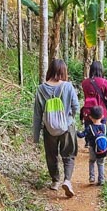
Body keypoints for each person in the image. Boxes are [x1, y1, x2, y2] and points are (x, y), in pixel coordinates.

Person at [32, 59, 79, 198]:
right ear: (63, 71)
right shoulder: (68, 87)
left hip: (49, 128)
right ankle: (67, 180)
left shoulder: (41, 89)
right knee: (69, 154)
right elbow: (76, 106)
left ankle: (55, 181)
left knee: (51, 155)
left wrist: (35, 136)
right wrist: (69, 119)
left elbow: (37, 114)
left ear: (50, 70)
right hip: (67, 127)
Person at [77, 106, 107, 185]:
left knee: (92, 161)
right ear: (102, 116)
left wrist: (75, 131)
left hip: (92, 148)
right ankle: (101, 180)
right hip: (103, 149)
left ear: (90, 117)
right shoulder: (104, 127)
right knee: (101, 163)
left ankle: (92, 177)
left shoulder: (89, 127)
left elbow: (81, 135)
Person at [80, 61, 107, 126]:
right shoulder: (104, 82)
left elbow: (85, 97)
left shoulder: (84, 83)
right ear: (101, 70)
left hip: (88, 113)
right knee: (101, 133)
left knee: (89, 133)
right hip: (101, 113)